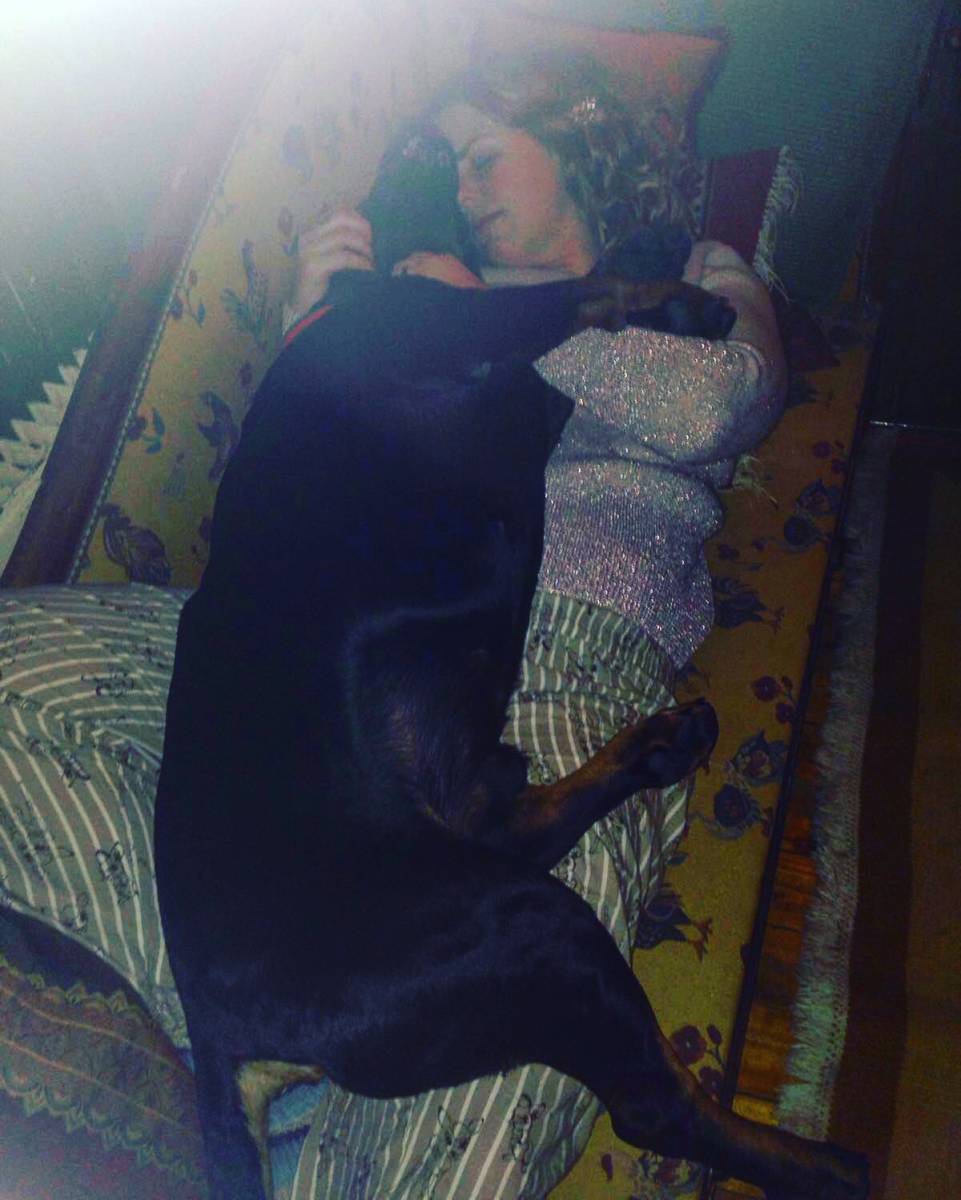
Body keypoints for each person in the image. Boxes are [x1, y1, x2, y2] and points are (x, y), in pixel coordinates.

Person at [278, 54, 787, 1200]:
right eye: (450, 168)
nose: (462, 192)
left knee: (512, 993)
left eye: (483, 158)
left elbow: (715, 405)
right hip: (342, 660)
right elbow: (301, 482)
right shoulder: (429, 281)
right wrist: (306, 324)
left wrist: (491, 316)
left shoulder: (686, 276)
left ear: (577, 137)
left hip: (566, 660)